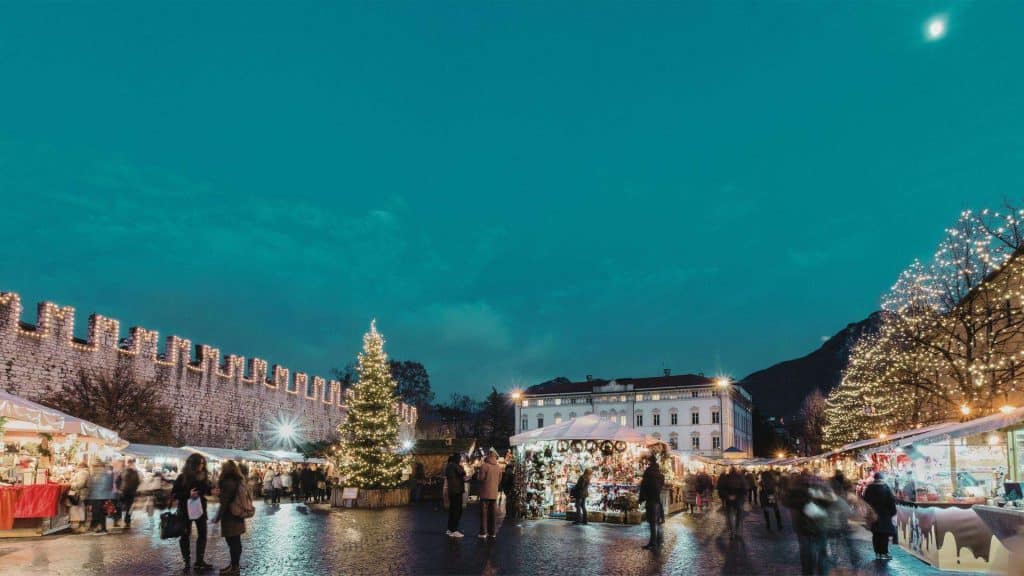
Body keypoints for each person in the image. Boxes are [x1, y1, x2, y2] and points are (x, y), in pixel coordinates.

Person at [784, 469, 836, 575]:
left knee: (807, 552)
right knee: (821, 552)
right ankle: (821, 573)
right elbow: (832, 500)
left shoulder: (795, 486)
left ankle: (809, 573)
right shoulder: (821, 484)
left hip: (803, 525)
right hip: (819, 523)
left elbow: (787, 501)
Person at [171, 453, 213, 573]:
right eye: (199, 463)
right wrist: (188, 494)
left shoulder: (204, 477)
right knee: (185, 536)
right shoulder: (182, 477)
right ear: (192, 464)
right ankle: (187, 561)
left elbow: (206, 490)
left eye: (203, 463)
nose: (201, 466)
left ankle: (199, 561)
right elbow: (175, 494)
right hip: (185, 511)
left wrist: (211, 491)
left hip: (200, 510)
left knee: (203, 534)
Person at [213, 460, 247, 575]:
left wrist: (217, 517)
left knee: (233, 542)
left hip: (231, 516)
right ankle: (233, 565)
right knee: (235, 541)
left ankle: (235, 567)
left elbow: (225, 500)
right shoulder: (236, 480)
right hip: (237, 515)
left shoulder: (228, 482)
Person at [862, 472, 897, 561]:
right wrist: (892, 513)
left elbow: (865, 501)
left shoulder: (869, 488)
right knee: (884, 535)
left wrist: (868, 513)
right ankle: (883, 553)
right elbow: (891, 502)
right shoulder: (886, 488)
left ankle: (877, 553)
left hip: (873, 514)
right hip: (884, 515)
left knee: (876, 534)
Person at [639, 456, 665, 550]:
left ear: (650, 462)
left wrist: (641, 498)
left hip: (650, 499)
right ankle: (657, 541)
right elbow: (661, 484)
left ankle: (653, 543)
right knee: (656, 521)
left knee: (652, 522)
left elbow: (644, 485)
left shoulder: (649, 472)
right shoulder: (659, 473)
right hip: (657, 500)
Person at [477, 448, 502, 539]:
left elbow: (481, 478)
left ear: (488, 455)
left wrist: (478, 476)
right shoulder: (498, 467)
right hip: (494, 493)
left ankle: (483, 532)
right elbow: (499, 480)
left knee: (484, 514)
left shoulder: (484, 466)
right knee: (493, 514)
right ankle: (492, 532)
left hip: (484, 493)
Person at [717, 467, 747, 538]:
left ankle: (732, 532)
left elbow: (721, 489)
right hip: (739, 500)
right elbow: (745, 489)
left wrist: (727, 496)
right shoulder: (741, 477)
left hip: (729, 500)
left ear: (730, 471)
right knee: (739, 516)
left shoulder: (726, 477)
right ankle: (737, 531)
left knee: (730, 516)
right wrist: (740, 497)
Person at [86, 462, 114, 534]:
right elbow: (90, 486)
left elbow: (109, 486)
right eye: (95, 467)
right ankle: (98, 527)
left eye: (98, 467)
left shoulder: (106, 475)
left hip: (102, 497)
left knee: (100, 513)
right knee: (96, 512)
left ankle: (102, 528)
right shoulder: (94, 475)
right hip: (95, 497)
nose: (96, 468)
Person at [445, 453, 467, 537]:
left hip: (452, 490)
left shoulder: (449, 466)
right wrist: (462, 468)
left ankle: (450, 529)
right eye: (459, 458)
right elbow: (462, 473)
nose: (460, 460)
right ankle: (454, 530)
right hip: (457, 490)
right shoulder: (454, 466)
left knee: (452, 510)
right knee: (457, 510)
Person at [68, 460, 90, 533]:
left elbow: (81, 484)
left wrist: (71, 485)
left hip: (80, 494)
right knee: (81, 510)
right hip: (82, 494)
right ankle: (81, 527)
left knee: (80, 510)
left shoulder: (83, 472)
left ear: (80, 466)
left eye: (77, 465)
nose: (76, 467)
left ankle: (80, 527)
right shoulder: (83, 472)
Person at [119, 458, 141, 529]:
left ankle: (127, 519)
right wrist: (120, 488)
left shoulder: (132, 472)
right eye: (130, 463)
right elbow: (118, 480)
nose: (131, 465)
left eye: (131, 463)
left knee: (128, 506)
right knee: (126, 506)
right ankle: (124, 519)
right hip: (126, 491)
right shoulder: (125, 471)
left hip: (129, 491)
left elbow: (138, 482)